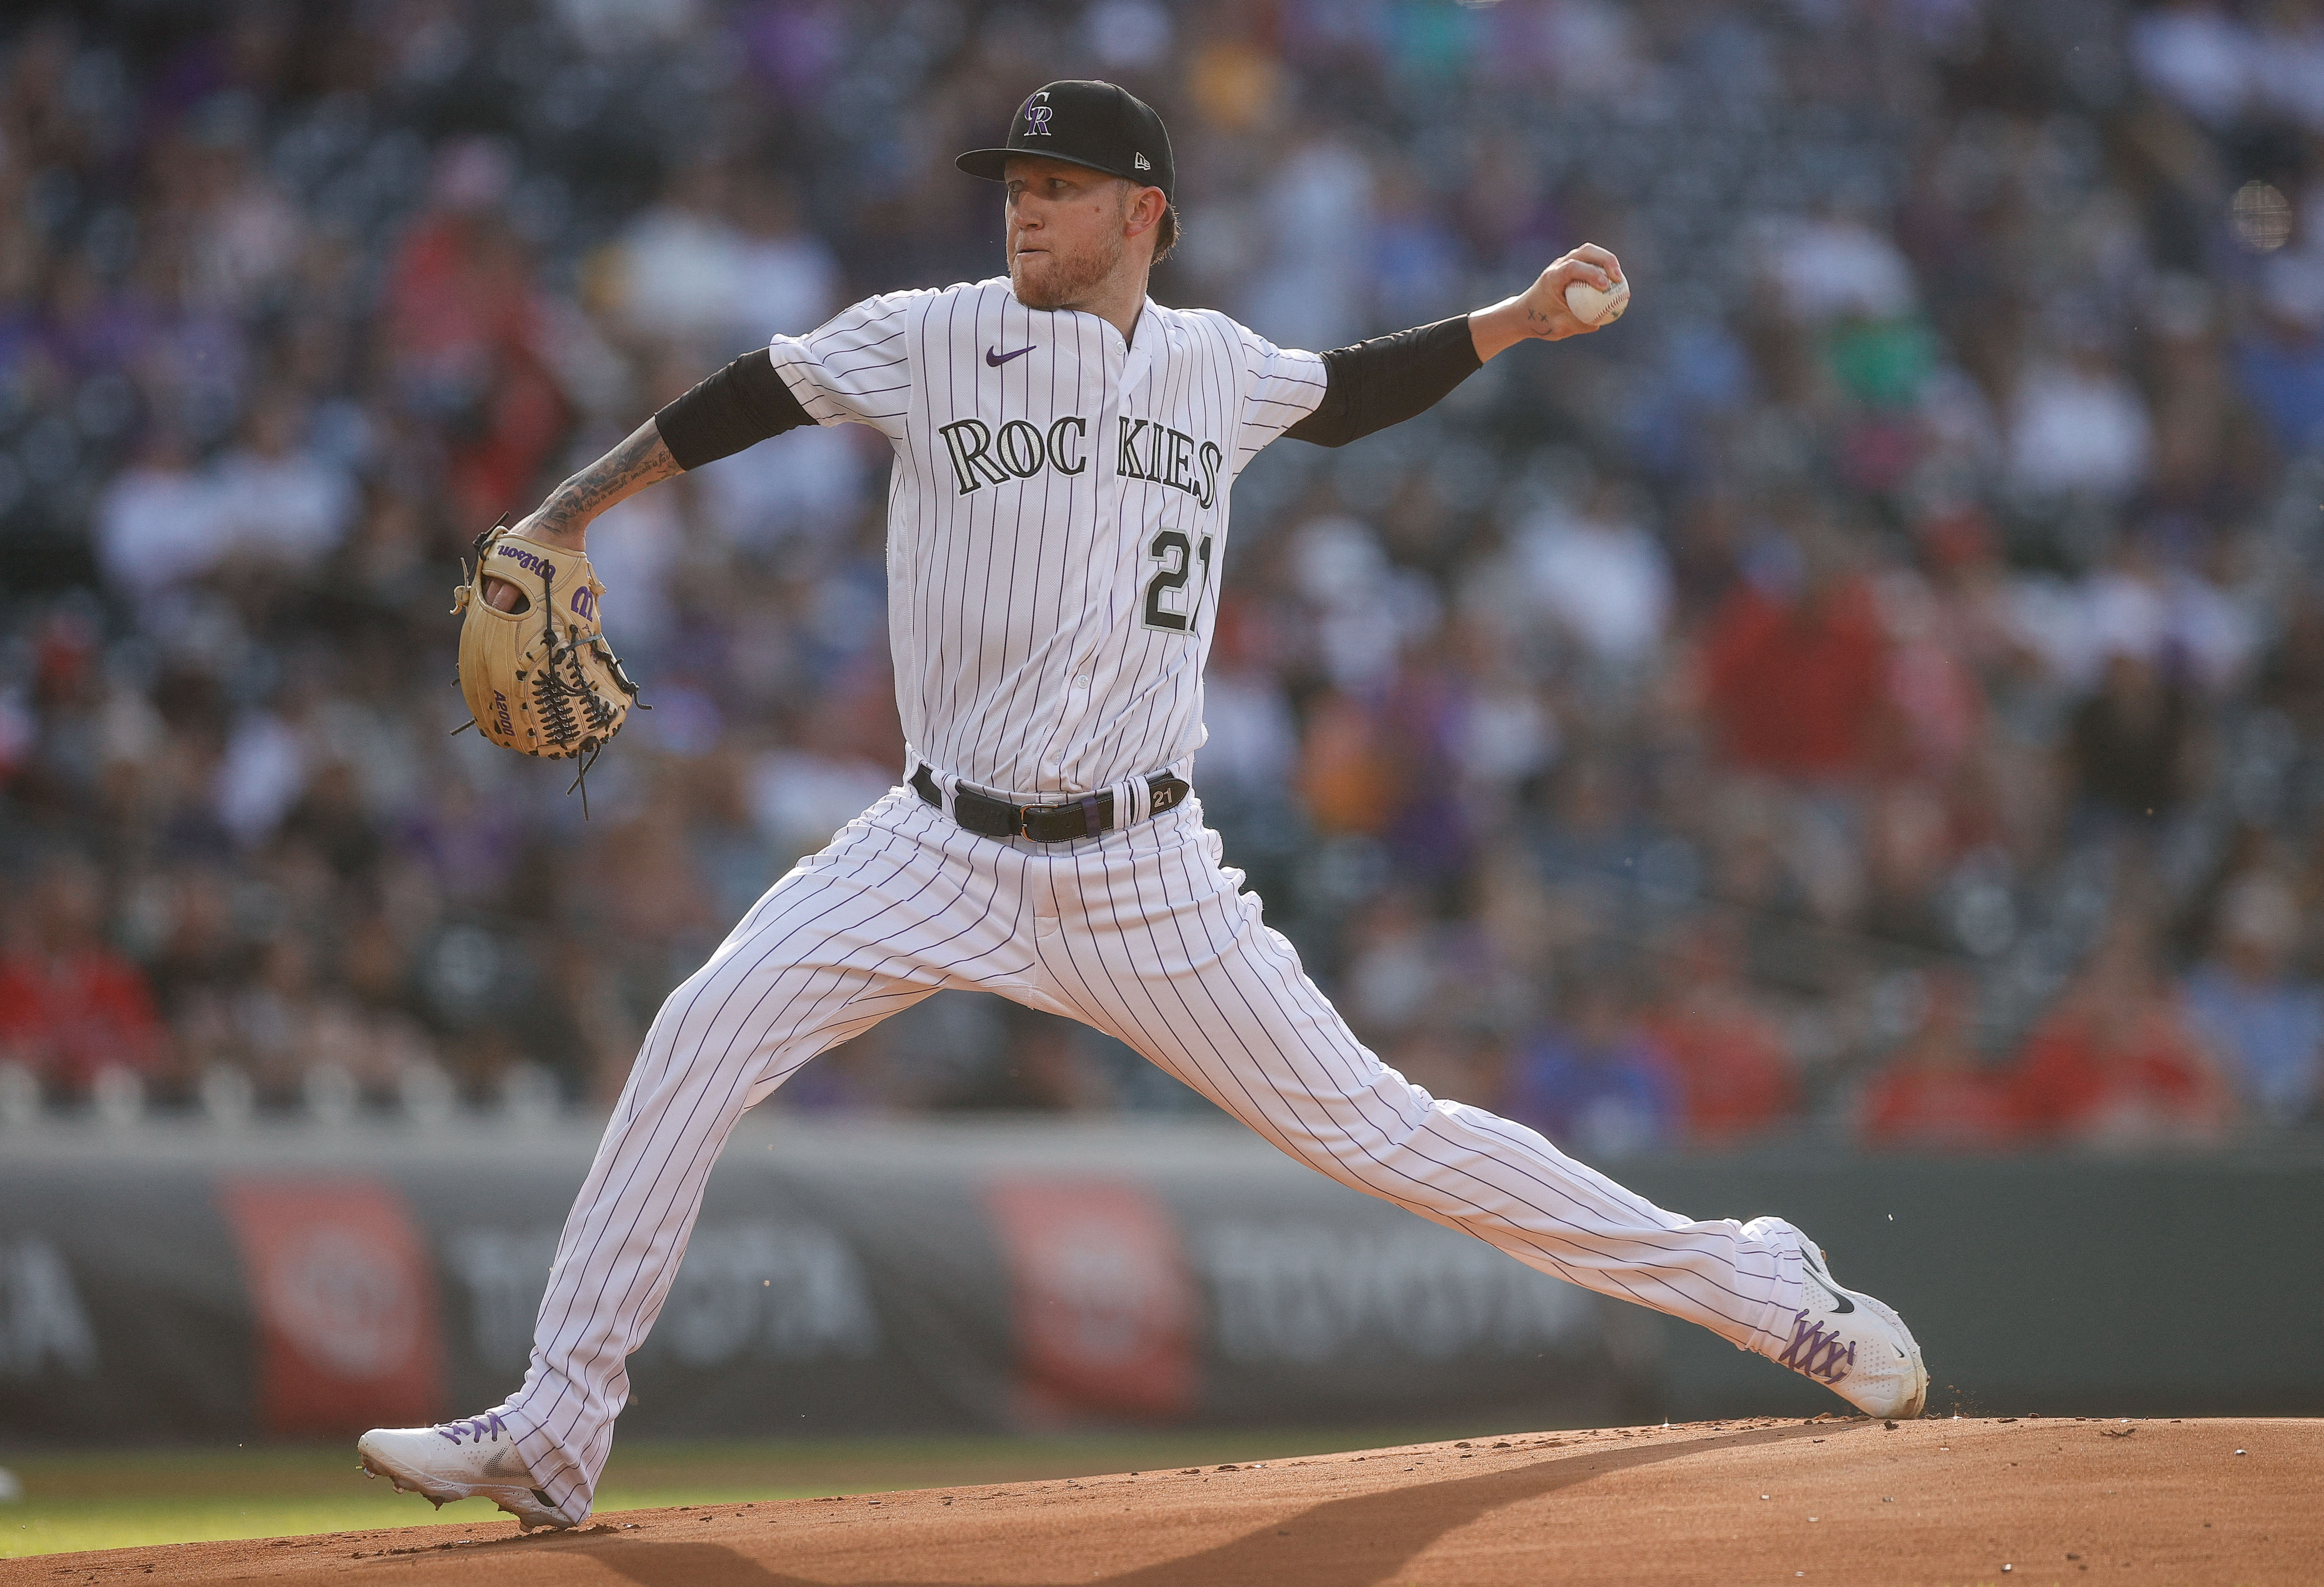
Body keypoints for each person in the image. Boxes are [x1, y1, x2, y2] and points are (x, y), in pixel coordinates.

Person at [359, 81, 1926, 1531]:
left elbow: (1346, 395)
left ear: (1144, 213)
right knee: (699, 1034)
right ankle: (556, 1435)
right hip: (935, 844)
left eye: (1057, 186)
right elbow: (746, 397)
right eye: (1012, 186)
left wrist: (1509, 323)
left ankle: (1751, 1284)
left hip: (1142, 871)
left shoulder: (1216, 364)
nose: (1022, 210)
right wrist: (568, 510)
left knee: (1388, 1136)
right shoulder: (928, 333)